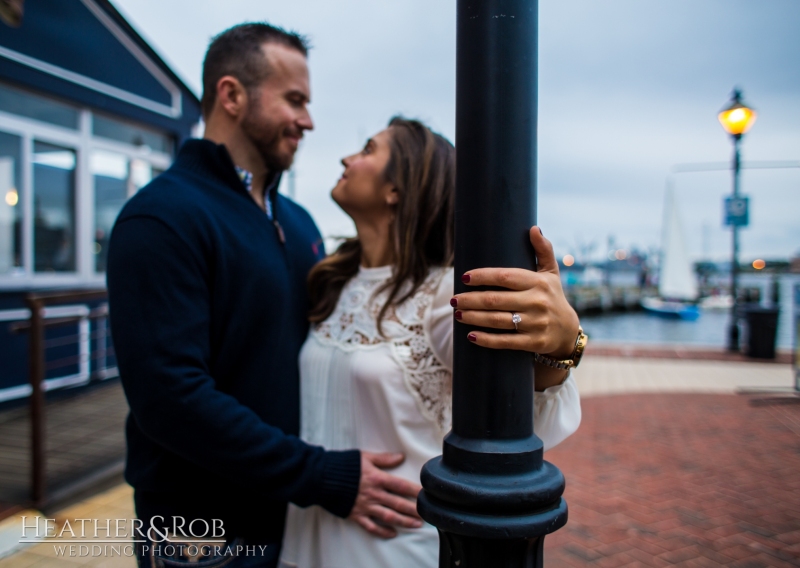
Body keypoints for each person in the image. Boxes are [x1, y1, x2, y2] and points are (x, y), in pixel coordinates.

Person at [107, 24, 423, 568]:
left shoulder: (299, 224)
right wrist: (321, 474)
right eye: (294, 100)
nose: (309, 120)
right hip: (203, 538)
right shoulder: (162, 218)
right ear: (231, 95)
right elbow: (169, 399)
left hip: (300, 524)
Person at [278, 118, 582, 568]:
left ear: (396, 189)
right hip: (304, 540)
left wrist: (565, 344)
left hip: (390, 546)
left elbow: (520, 397)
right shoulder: (332, 282)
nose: (346, 159)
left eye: (366, 149)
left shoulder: (442, 293)